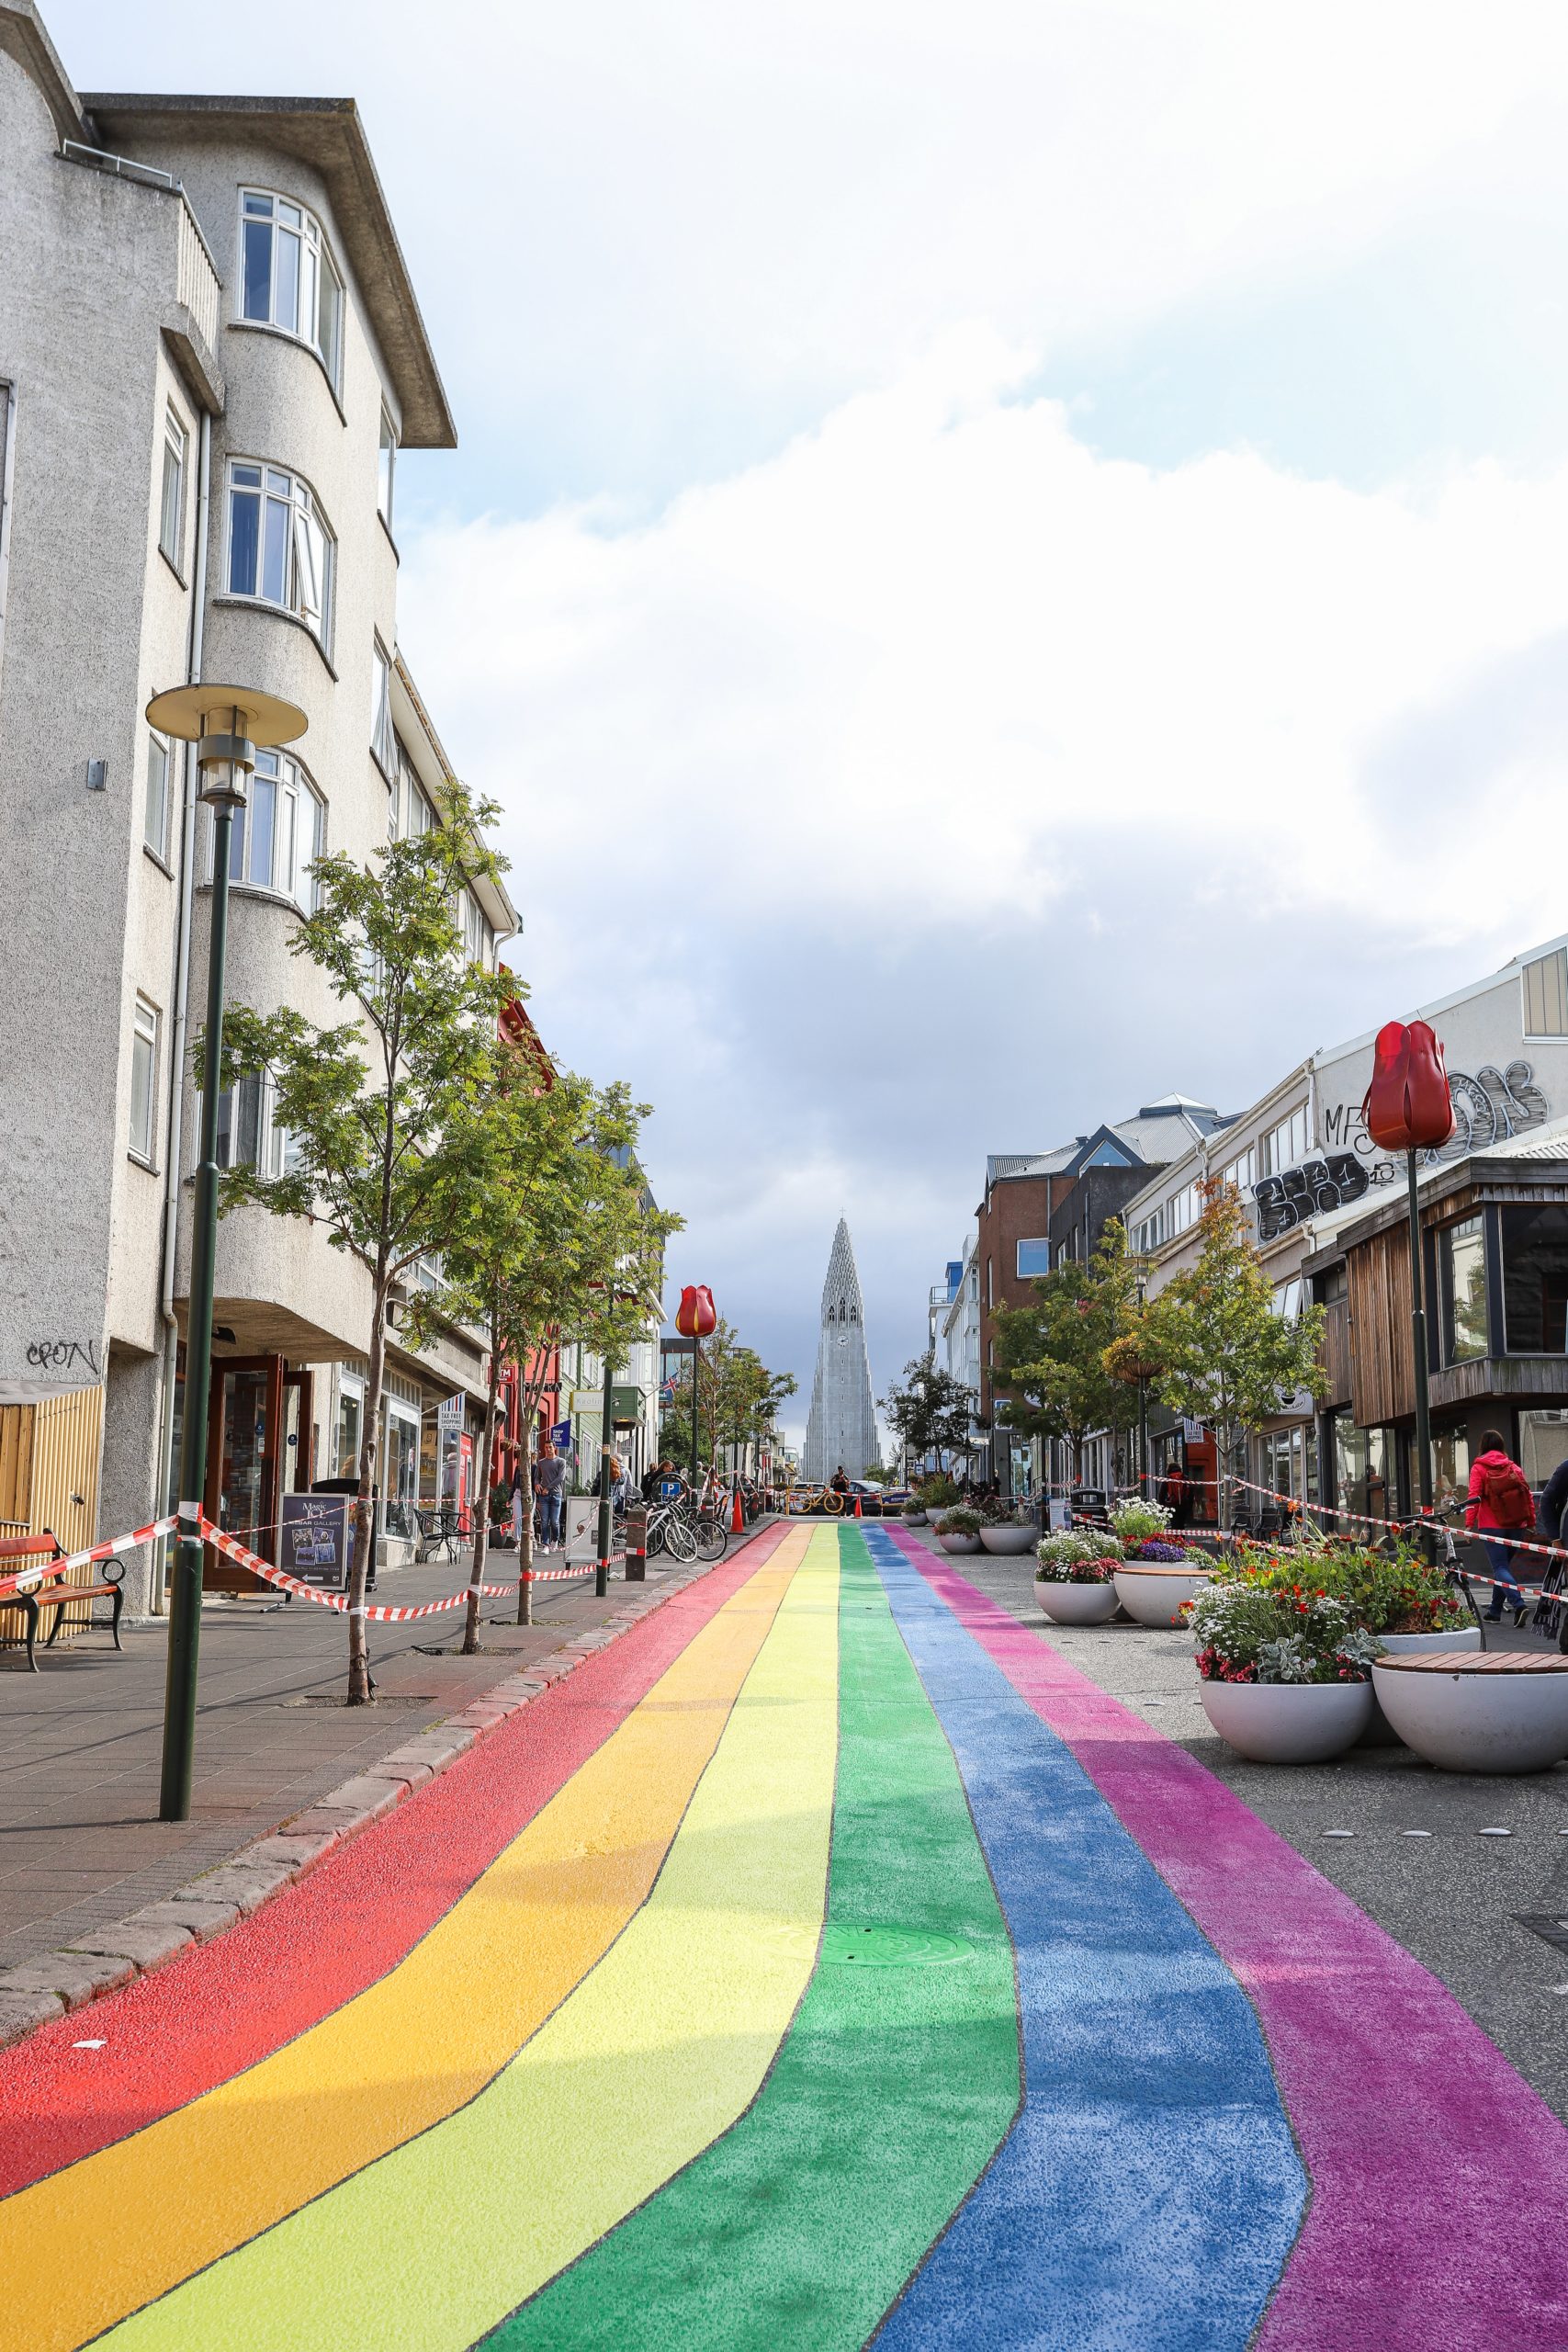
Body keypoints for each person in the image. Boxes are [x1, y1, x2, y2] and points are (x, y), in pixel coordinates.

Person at [1465, 1429, 1535, 1625]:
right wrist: (1531, 1523)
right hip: (1517, 1526)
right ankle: (1495, 1611)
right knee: (1503, 1568)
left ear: (1483, 1445)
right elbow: (1527, 1495)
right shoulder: (1513, 1467)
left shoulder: (1479, 1468)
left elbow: (1474, 1498)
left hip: (1492, 1526)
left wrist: (1469, 1524)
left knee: (1500, 1568)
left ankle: (1519, 1605)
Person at [534, 1442, 569, 1553]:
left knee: (554, 1521)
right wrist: (537, 1484)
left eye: (550, 1447)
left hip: (556, 1494)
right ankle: (546, 1545)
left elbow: (561, 1478)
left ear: (555, 1448)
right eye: (546, 1447)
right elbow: (537, 1477)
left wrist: (547, 1488)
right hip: (544, 1496)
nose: (548, 1449)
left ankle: (555, 1539)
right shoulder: (541, 1462)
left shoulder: (561, 1461)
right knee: (544, 1521)